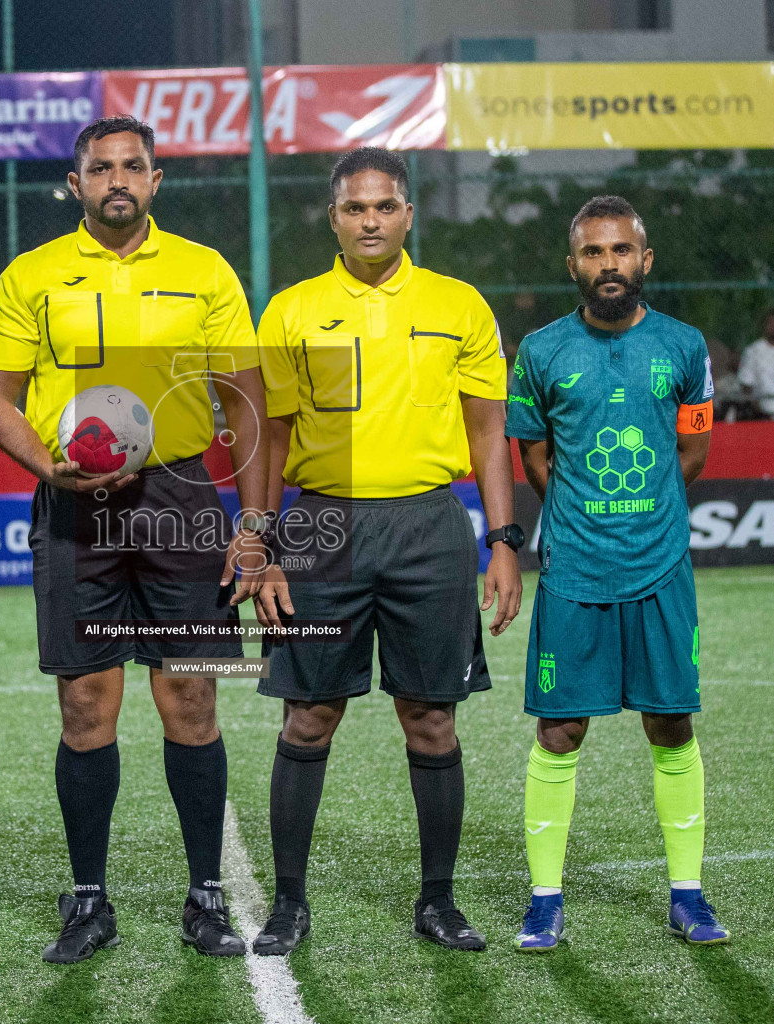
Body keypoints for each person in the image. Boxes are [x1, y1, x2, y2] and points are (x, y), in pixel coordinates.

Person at [0, 116, 270, 965]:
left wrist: (251, 528)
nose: (117, 178)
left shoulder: (203, 270)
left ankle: (206, 896)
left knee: (192, 700)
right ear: (75, 184)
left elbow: (243, 399)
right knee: (84, 707)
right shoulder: (33, 276)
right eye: (100, 166)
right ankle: (90, 899)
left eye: (132, 166)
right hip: (75, 503)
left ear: (155, 179)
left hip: (180, 495)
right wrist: (46, 463)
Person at [249, 148, 521, 956]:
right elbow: (272, 434)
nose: (371, 220)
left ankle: (437, 902)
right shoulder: (293, 310)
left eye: (386, 206)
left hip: (430, 529)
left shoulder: (459, 304)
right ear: (333, 218)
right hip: (321, 526)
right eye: (355, 208)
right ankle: (289, 904)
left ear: (409, 214)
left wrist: (504, 542)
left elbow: (487, 432)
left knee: (431, 718)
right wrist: (259, 541)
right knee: (309, 716)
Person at [505, 195, 727, 952]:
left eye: (621, 251)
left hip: (662, 566)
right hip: (573, 568)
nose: (609, 265)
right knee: (560, 731)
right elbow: (534, 459)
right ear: (573, 265)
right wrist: (585, 516)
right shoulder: (539, 351)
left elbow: (692, 454)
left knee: (671, 723)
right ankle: (544, 899)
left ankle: (689, 895)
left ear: (645, 260)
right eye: (594, 253)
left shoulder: (685, 346)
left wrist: (641, 513)